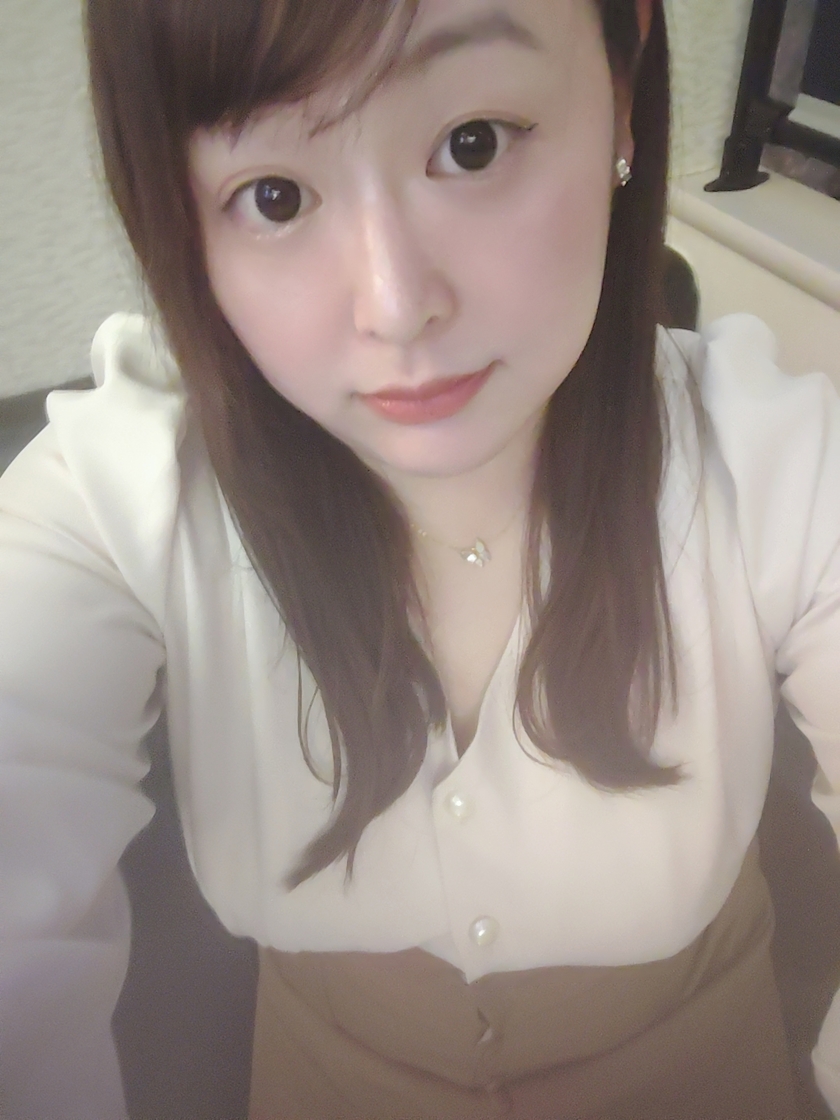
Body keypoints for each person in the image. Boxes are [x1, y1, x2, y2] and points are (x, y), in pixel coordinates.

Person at [1, 0, 839, 1116]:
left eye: (472, 144)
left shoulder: (776, 461)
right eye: (274, 196)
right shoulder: (119, 495)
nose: (397, 308)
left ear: (620, 80)